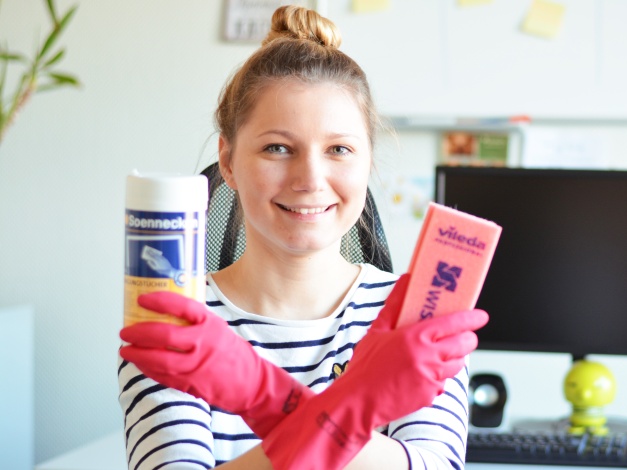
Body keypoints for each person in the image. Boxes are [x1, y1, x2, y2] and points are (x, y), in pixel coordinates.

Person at [117, 5, 488, 470]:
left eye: (339, 149)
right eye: (278, 148)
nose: (310, 179)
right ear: (228, 161)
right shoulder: (181, 323)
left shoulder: (418, 317)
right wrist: (356, 404)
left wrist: (263, 395)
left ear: (368, 161)